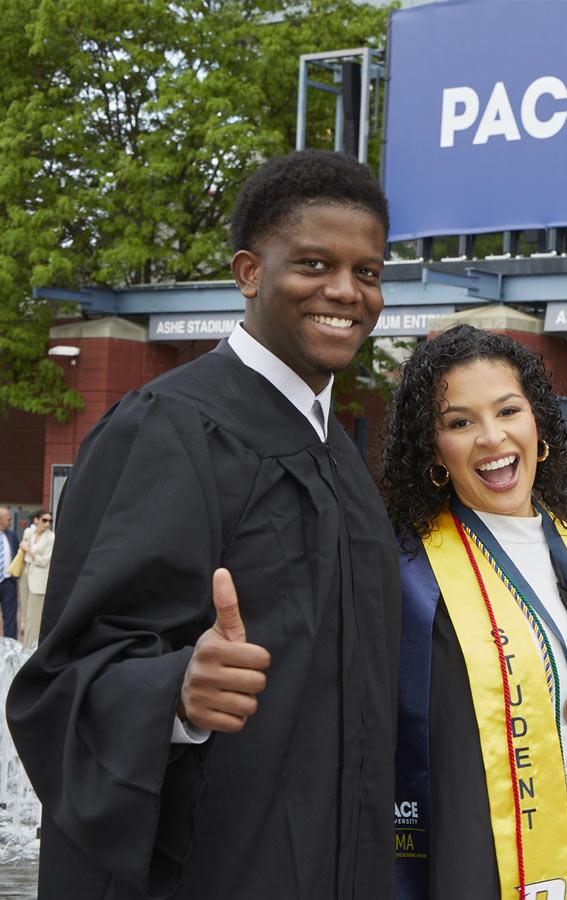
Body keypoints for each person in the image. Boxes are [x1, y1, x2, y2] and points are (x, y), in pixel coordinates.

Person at [5, 150, 401, 899]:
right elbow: (60, 683)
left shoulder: (337, 451)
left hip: (341, 859)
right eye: (314, 264)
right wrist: (176, 694)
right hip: (219, 869)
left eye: (369, 272)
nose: (346, 292)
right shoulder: (170, 429)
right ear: (250, 272)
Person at [379, 325, 567, 899]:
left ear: (538, 423)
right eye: (459, 422)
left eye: (508, 410)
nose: (492, 438)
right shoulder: (411, 576)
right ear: (433, 449)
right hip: (478, 859)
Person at [18, 511, 52, 647]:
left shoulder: (51, 537)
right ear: (36, 520)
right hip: (25, 575)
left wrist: (29, 551)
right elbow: (21, 551)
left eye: (50, 521)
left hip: (39, 580)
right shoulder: (28, 533)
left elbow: (44, 561)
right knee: (25, 615)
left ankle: (29, 650)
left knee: (34, 618)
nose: (47, 523)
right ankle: (25, 646)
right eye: (44, 520)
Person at [0, 507, 15, 639]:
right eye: (8, 519)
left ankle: (10, 644)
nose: (11, 521)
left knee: (10, 616)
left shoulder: (12, 535)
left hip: (8, 582)